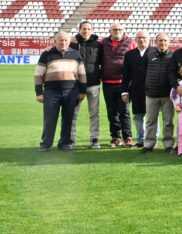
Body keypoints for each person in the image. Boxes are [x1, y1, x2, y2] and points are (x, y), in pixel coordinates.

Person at [34, 31, 86, 151]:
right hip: (51, 91)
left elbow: (82, 74)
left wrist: (82, 91)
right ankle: (45, 144)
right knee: (50, 118)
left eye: (65, 40)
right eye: (60, 40)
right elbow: (38, 75)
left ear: (69, 41)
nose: (63, 42)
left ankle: (65, 143)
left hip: (71, 91)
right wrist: (39, 93)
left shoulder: (76, 54)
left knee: (68, 118)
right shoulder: (46, 54)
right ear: (55, 41)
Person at [98, 22, 135, 147]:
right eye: (114, 29)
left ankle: (128, 137)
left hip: (124, 83)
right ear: (110, 31)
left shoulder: (130, 42)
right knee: (111, 111)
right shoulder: (103, 43)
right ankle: (115, 137)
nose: (117, 31)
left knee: (124, 111)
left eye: (119, 29)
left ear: (123, 30)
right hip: (107, 82)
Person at [141, 33, 176, 153]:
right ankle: (149, 144)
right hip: (151, 93)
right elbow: (144, 70)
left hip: (168, 95)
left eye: (165, 40)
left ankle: (168, 144)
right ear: (156, 42)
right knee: (150, 120)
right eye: (160, 40)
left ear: (169, 42)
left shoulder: (173, 56)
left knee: (168, 121)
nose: (163, 43)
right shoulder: (149, 55)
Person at [70, 20, 102, 149]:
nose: (86, 31)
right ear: (79, 29)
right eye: (84, 29)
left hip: (94, 84)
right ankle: (71, 139)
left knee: (94, 113)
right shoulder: (72, 44)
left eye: (89, 29)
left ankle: (94, 139)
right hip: (76, 85)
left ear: (92, 30)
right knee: (73, 113)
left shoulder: (98, 45)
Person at [120, 30, 150, 148]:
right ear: (135, 40)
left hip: (151, 90)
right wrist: (124, 91)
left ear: (148, 39)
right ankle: (140, 140)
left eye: (144, 37)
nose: (141, 40)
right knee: (138, 116)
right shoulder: (129, 54)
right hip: (136, 91)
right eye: (139, 38)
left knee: (152, 117)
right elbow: (126, 75)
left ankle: (152, 139)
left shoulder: (154, 52)